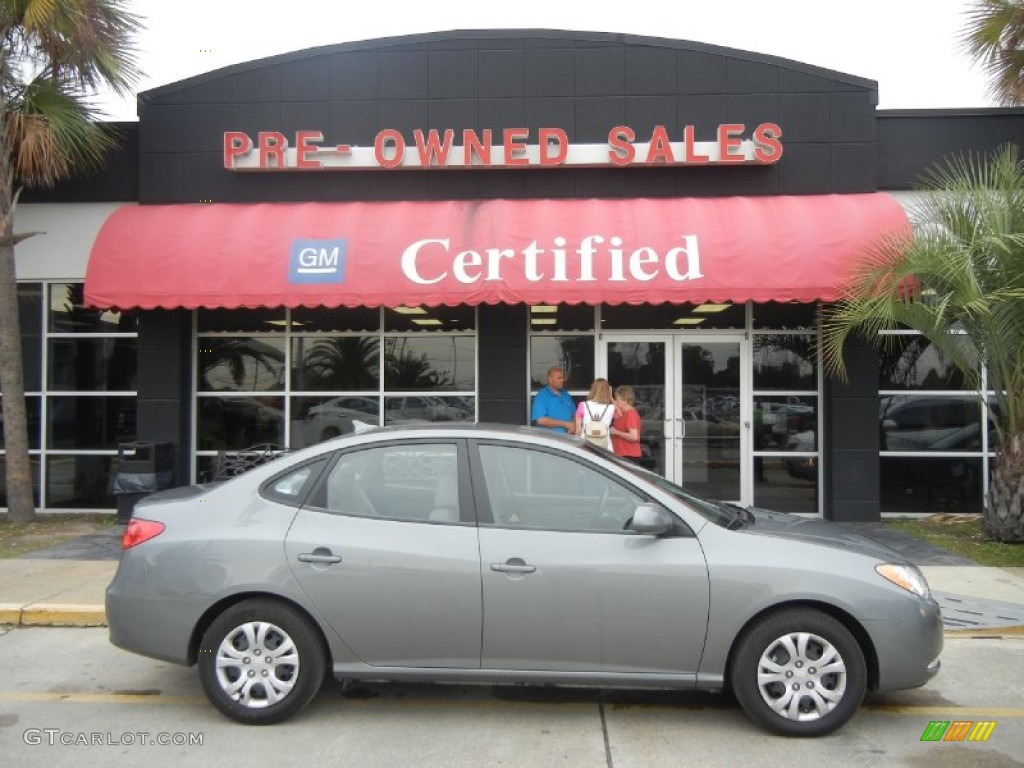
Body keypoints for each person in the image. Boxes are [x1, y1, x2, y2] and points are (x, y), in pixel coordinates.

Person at [531, 366, 577, 434]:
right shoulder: (542, 396)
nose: (562, 380)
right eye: (559, 378)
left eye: (562, 378)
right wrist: (565, 424)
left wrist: (574, 426)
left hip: (568, 439)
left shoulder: (565, 394)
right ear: (550, 380)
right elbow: (540, 420)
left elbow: (575, 414)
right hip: (551, 441)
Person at [576, 378, 615, 449]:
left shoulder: (583, 405)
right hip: (605, 444)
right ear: (607, 391)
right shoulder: (611, 407)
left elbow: (578, 431)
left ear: (593, 389)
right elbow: (621, 416)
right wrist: (611, 398)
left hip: (586, 444)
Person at [610, 385, 644, 462]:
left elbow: (634, 436)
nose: (616, 401)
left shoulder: (631, 414)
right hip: (622, 454)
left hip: (629, 455)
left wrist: (616, 432)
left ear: (625, 400)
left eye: (617, 399)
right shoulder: (623, 414)